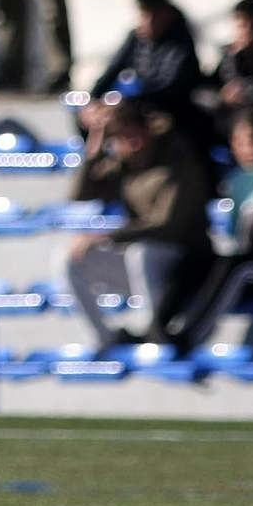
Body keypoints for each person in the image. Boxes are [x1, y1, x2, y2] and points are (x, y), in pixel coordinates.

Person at [56, 104, 216, 349]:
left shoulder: (177, 159)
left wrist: (108, 237)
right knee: (67, 258)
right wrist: (96, 141)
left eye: (135, 134)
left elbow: (167, 226)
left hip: (185, 263)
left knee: (141, 253)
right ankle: (106, 338)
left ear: (147, 129)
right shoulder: (125, 165)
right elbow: (80, 193)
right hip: (146, 266)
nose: (133, 143)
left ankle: (151, 333)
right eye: (121, 138)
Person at [165, 108, 253, 353]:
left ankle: (191, 336)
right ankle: (158, 327)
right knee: (198, 259)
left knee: (239, 265)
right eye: (244, 142)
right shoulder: (235, 181)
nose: (251, 148)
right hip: (249, 267)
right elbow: (234, 237)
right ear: (234, 144)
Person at [85, 0, 213, 158]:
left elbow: (171, 88)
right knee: (92, 120)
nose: (147, 22)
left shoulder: (181, 41)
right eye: (143, 15)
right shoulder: (137, 39)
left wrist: (128, 103)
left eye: (152, 15)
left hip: (176, 110)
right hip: (142, 105)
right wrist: (93, 99)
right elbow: (113, 70)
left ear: (165, 13)